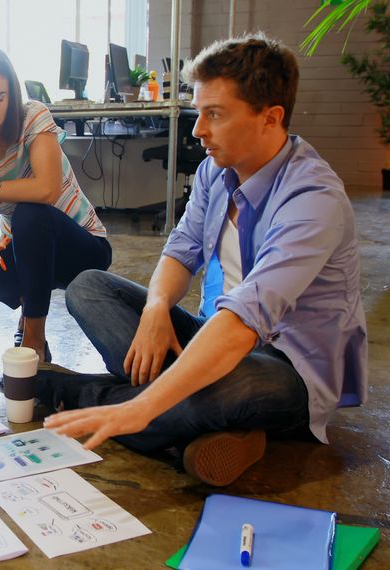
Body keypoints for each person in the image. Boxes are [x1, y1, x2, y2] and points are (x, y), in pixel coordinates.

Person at [43, 34, 368, 487]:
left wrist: (140, 408)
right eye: (199, 112)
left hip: (286, 366)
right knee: (89, 288)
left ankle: (86, 396)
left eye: (214, 114)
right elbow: (181, 250)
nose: (197, 130)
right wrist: (156, 310)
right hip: (211, 334)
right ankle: (211, 427)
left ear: (270, 118)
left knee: (240, 388)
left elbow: (244, 320)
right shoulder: (215, 170)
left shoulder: (314, 198)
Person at [0, 46, 111, 363]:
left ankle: (34, 338)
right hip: (29, 251)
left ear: (11, 96)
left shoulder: (32, 116)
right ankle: (28, 300)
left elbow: (45, 189)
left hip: (82, 247)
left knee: (29, 213)